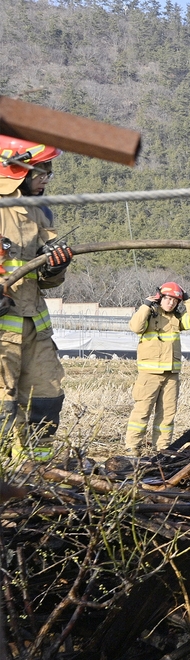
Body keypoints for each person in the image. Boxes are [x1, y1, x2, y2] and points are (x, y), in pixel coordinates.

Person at [0, 135, 74, 462]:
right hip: (2, 333)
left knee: (46, 401)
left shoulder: (40, 211)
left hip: (36, 330)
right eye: (40, 171)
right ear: (15, 170)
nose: (46, 178)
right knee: (2, 408)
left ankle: (35, 473)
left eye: (48, 171)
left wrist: (55, 264)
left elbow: (48, 283)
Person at [125, 282, 190, 454]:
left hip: (171, 375)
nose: (171, 303)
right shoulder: (149, 314)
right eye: (168, 299)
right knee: (142, 412)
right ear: (160, 298)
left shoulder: (177, 319)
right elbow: (135, 327)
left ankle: (162, 448)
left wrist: (188, 300)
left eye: (175, 300)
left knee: (167, 414)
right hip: (149, 374)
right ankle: (132, 447)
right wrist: (145, 306)